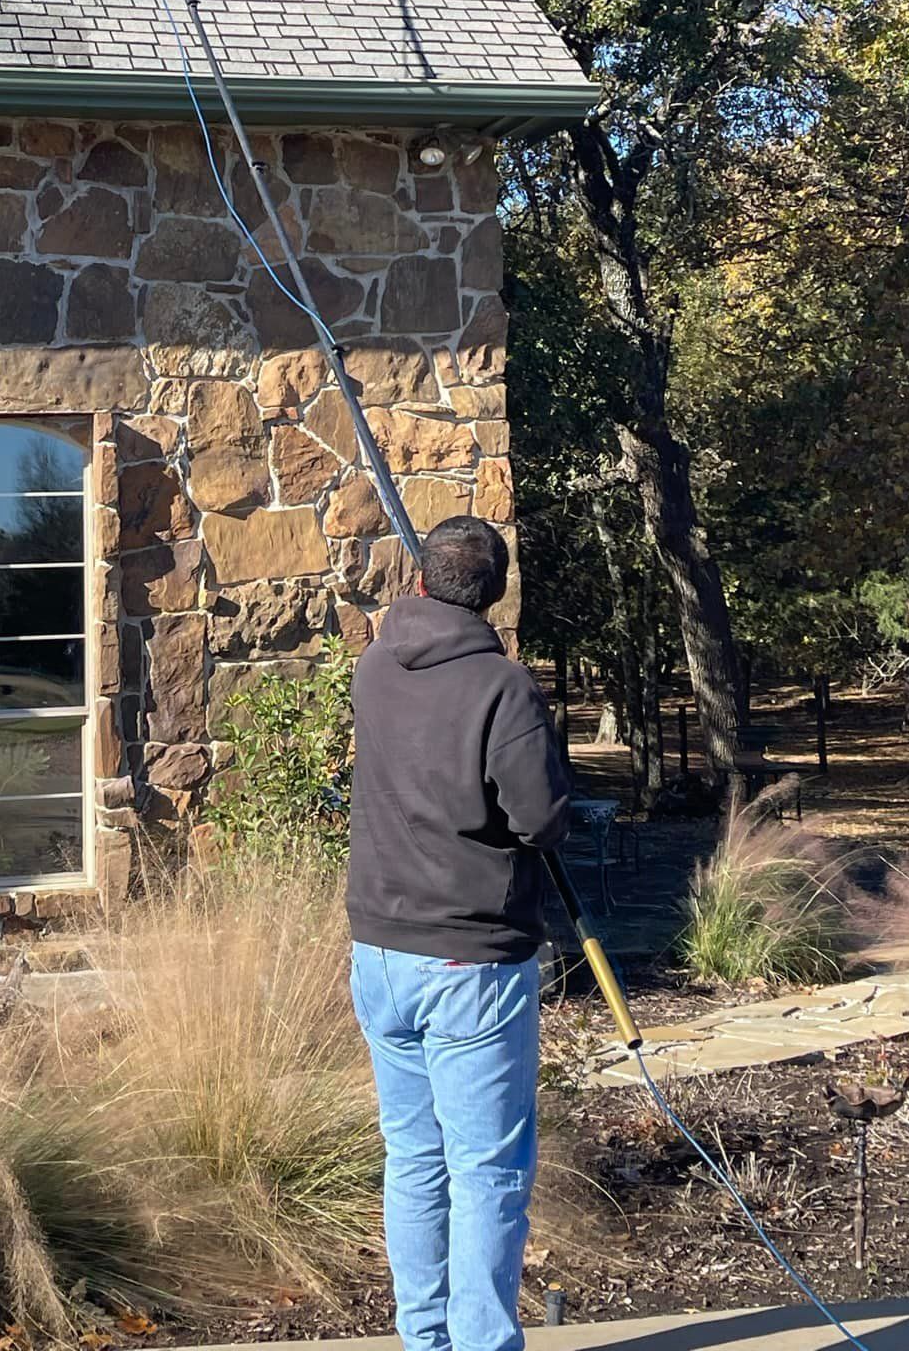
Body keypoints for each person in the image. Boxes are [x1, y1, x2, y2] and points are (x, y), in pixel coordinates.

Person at [347, 516, 571, 1351]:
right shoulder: (501, 688)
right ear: (497, 595)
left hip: (379, 949)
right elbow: (540, 819)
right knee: (486, 1170)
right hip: (468, 957)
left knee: (414, 1159)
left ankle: (426, 1340)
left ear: (416, 583)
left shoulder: (374, 667)